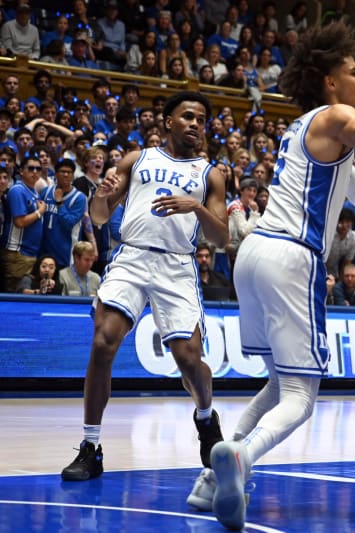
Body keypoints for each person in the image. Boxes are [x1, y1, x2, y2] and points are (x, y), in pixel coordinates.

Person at [202, 22, 355, 530]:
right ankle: (243, 458)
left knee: (278, 385)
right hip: (291, 257)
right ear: (329, 82)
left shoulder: (308, 128)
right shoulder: (339, 114)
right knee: (301, 398)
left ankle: (210, 481)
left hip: (254, 254)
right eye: (354, 72)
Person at [60, 92, 229, 484]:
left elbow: (220, 238)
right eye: (188, 116)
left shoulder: (211, 174)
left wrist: (197, 208)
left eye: (202, 119)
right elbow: (100, 217)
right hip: (132, 256)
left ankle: (205, 417)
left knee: (189, 361)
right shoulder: (138, 159)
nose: (195, 124)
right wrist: (100, 197)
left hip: (177, 266)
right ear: (167, 120)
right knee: (103, 342)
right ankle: (91, 447)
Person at [1, 154, 46, 293]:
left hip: (28, 253)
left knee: (23, 292)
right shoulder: (18, 190)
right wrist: (40, 212)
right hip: (17, 252)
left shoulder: (32, 191)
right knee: (15, 294)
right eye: (31, 168)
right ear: (21, 171)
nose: (35, 172)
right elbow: (19, 222)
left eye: (38, 169)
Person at [39, 158, 87, 269]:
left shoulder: (79, 198)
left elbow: (68, 223)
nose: (66, 174)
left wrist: (59, 202)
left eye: (69, 172)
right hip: (44, 252)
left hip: (65, 254)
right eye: (62, 171)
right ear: (55, 174)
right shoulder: (45, 192)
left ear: (73, 175)